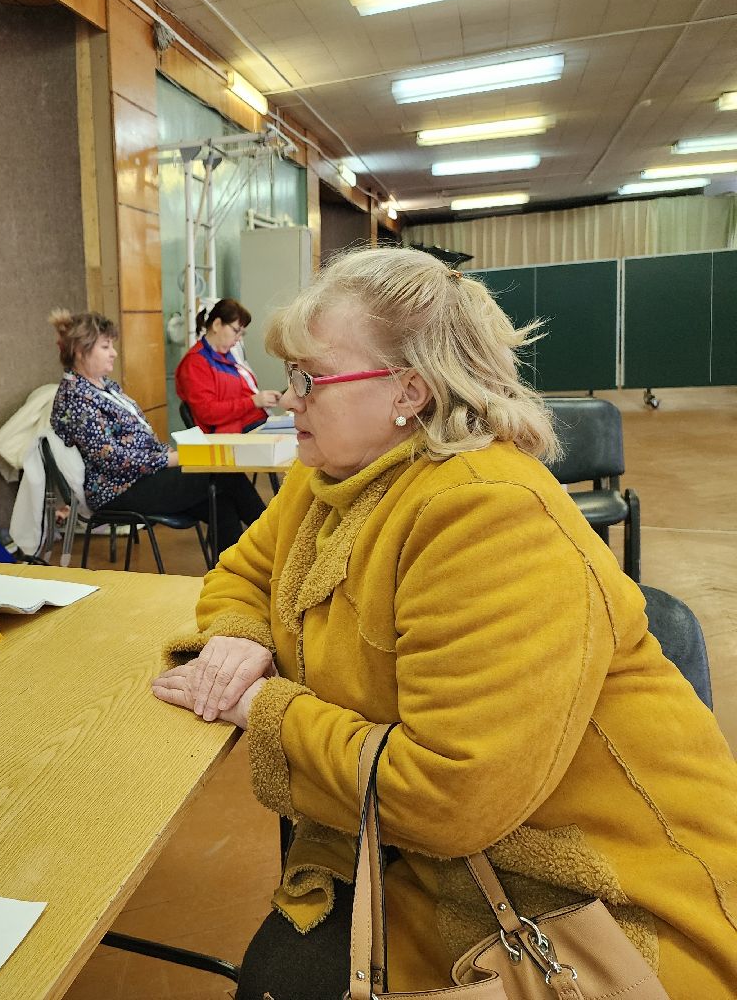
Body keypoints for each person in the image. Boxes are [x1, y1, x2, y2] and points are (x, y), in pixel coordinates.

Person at [151, 248, 737, 996]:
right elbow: (243, 571)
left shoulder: (487, 513)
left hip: (595, 908)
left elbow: (450, 798)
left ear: (409, 390)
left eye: (309, 379)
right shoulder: (330, 474)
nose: (286, 399)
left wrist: (260, 705)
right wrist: (241, 634)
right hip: (436, 861)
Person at [48, 309, 263, 553]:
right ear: (80, 350)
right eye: (106, 347)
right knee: (225, 473)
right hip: (119, 489)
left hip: (141, 477)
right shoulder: (76, 398)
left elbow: (137, 441)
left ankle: (232, 576)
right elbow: (112, 458)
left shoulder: (104, 386)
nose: (114, 353)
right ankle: (278, 543)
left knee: (222, 503)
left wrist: (169, 455)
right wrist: (170, 458)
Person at [175, 298, 283, 432]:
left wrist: (263, 399)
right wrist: (253, 401)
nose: (239, 338)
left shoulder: (226, 357)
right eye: (236, 331)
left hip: (253, 423)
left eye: (241, 333)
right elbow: (208, 412)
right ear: (217, 324)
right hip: (234, 432)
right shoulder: (195, 363)